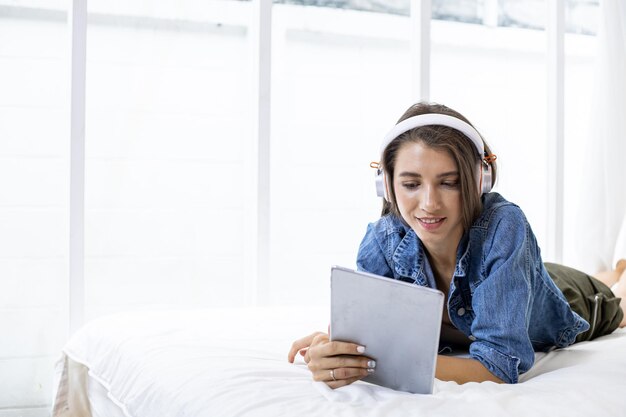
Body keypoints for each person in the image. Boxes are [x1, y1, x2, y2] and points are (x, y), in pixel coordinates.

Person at [287, 102, 626, 387]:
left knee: (618, 300)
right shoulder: (381, 241)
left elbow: (499, 365)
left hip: (567, 296)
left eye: (448, 183)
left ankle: (613, 279)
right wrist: (331, 350)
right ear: (386, 186)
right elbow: (370, 333)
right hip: (514, 275)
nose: (429, 203)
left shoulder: (505, 226)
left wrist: (382, 361)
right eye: (410, 184)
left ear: (481, 180)